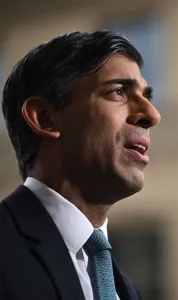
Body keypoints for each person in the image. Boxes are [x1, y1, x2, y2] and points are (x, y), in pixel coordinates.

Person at [0, 30, 161, 300]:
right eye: (119, 92)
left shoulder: (127, 290)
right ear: (44, 118)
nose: (152, 115)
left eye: (147, 97)